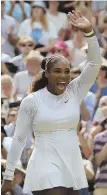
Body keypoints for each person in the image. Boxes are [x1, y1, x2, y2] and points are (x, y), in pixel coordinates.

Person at [2, 11, 102, 195]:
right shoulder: (31, 101)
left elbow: (95, 63)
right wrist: (8, 176)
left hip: (71, 165)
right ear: (47, 74)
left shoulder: (75, 91)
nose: (63, 75)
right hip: (44, 166)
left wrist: (89, 32)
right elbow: (18, 139)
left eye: (66, 71)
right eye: (57, 71)